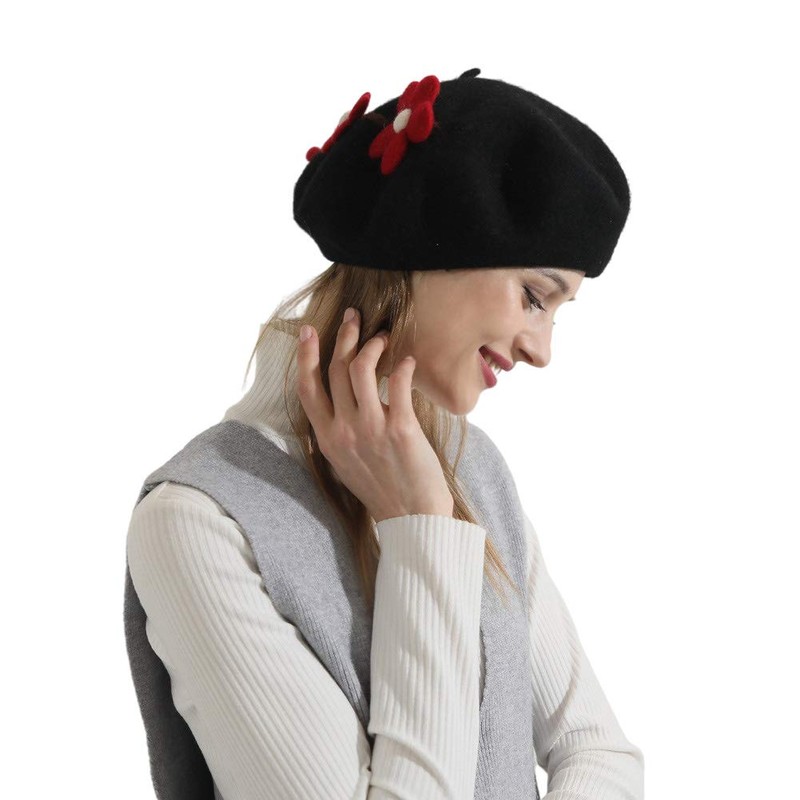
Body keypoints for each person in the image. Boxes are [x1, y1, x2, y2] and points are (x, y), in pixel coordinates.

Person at [123, 68, 645, 800]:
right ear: (433, 250)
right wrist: (420, 522)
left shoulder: (471, 467)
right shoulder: (199, 521)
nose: (542, 349)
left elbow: (600, 752)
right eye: (534, 296)